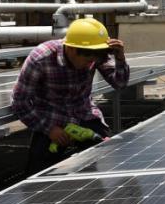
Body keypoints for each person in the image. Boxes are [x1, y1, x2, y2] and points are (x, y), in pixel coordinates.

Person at [11, 18, 130, 174]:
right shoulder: (42, 58)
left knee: (109, 162)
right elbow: (20, 101)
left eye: (94, 60)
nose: (91, 64)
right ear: (72, 49)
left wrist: (120, 59)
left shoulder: (94, 53)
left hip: (84, 115)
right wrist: (49, 129)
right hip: (51, 119)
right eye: (88, 60)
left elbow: (119, 84)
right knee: (37, 174)